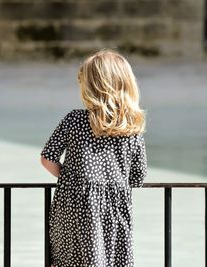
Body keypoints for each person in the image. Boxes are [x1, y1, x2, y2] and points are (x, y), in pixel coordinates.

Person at [40, 48, 148, 267]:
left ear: (89, 88)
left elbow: (47, 158)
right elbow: (138, 177)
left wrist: (71, 178)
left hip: (73, 207)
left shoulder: (74, 120)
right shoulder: (132, 130)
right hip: (113, 212)